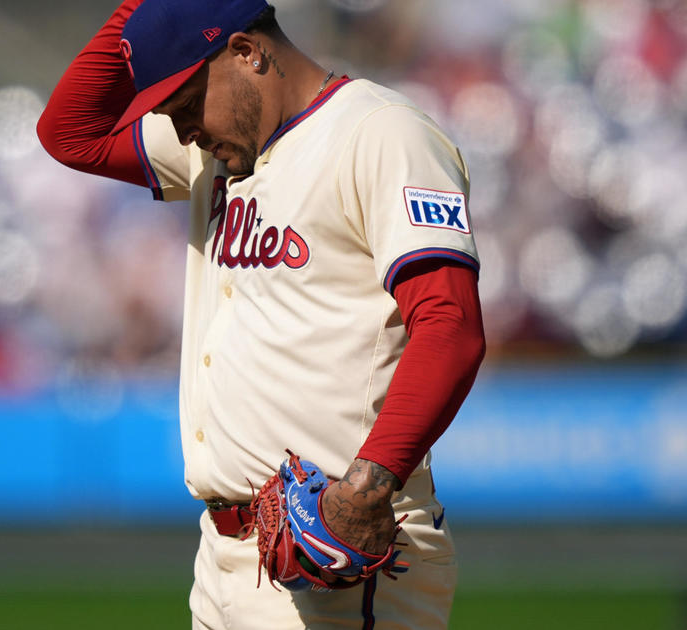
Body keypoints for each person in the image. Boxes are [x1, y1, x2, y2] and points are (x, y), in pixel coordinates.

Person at [37, 1, 485, 627]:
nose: (184, 129)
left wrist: (371, 483)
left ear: (248, 53)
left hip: (334, 549)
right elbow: (69, 133)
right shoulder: (216, 148)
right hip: (222, 556)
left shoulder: (381, 132)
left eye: (187, 105)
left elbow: (450, 325)